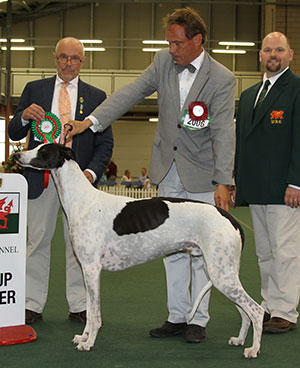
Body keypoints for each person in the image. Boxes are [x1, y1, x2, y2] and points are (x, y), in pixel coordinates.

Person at [64, 7, 235, 343]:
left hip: (203, 174)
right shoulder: (162, 62)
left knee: (202, 253)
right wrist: (90, 122)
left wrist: (224, 180)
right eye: (169, 43)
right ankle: (176, 316)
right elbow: (130, 93)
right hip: (166, 171)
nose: (171, 49)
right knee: (169, 249)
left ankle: (198, 321)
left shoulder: (223, 78)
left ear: (197, 40)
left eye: (177, 43)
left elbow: (223, 132)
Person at [8, 37, 114, 324]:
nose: (68, 63)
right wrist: (23, 118)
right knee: (37, 241)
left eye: (75, 58)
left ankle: (79, 305)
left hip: (80, 188)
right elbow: (15, 134)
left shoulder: (96, 96)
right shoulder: (34, 89)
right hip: (39, 179)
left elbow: (105, 144)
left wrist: (89, 174)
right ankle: (32, 303)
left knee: (79, 245)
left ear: (83, 61)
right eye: (63, 57)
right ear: (55, 58)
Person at [233, 32, 300, 333]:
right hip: (256, 187)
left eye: (279, 50)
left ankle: (286, 310)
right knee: (265, 252)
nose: (273, 55)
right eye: (268, 50)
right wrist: (236, 181)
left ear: (291, 55)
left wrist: (296, 183)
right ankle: (270, 304)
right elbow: (241, 144)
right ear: (259, 55)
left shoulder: (297, 90)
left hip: (285, 188)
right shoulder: (248, 96)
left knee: (285, 250)